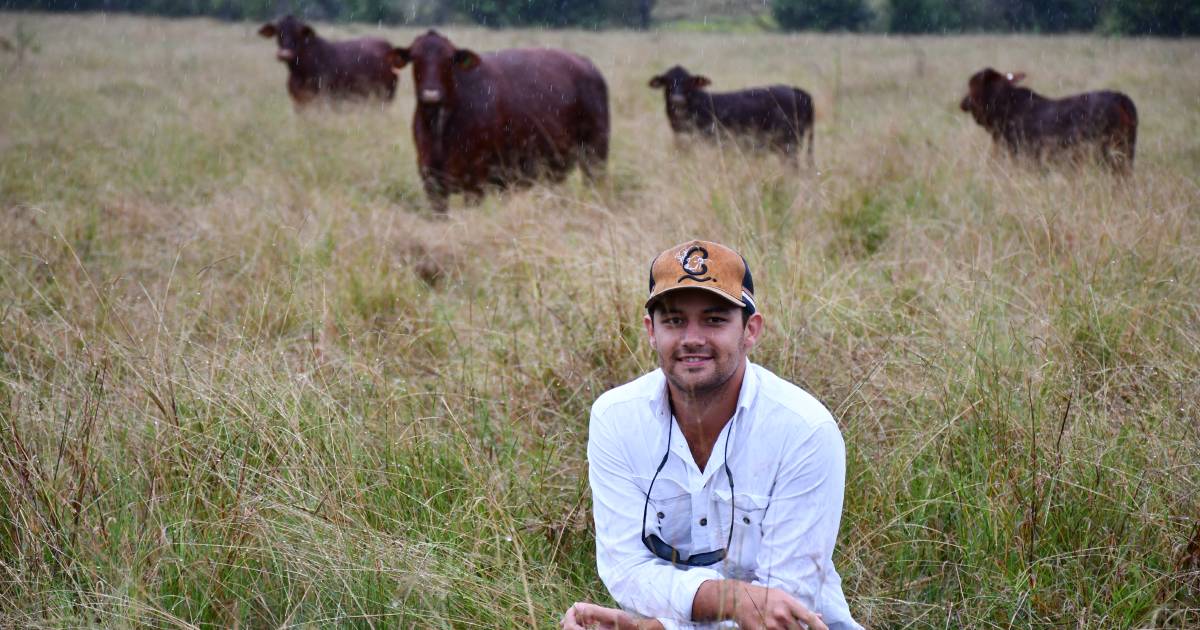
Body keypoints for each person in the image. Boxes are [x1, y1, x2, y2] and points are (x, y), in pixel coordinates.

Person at [562, 240, 861, 630]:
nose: (692, 338)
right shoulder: (615, 419)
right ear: (651, 332)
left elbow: (784, 612)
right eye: (674, 321)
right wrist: (728, 601)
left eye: (715, 320)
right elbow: (626, 568)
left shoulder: (804, 430)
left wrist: (658, 627)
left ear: (750, 331)